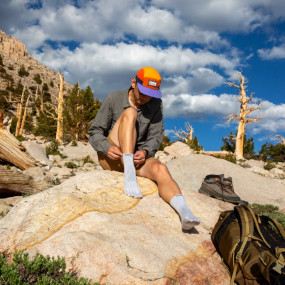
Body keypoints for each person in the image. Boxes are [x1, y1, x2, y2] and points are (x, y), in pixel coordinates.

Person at [89, 67, 201, 231]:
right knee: (130, 113)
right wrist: (106, 147)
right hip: (111, 158)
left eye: (150, 94)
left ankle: (185, 214)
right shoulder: (114, 98)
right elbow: (94, 132)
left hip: (136, 160)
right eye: (142, 92)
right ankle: (129, 176)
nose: (145, 98)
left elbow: (156, 136)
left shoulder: (156, 105)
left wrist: (146, 152)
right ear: (133, 83)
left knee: (160, 168)